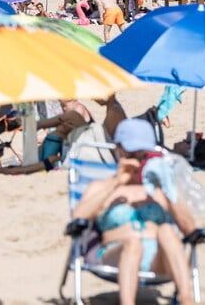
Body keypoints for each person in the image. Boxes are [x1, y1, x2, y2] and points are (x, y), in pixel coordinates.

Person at [71, 119, 196, 305]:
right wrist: (116, 181)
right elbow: (77, 218)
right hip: (115, 254)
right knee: (133, 243)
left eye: (142, 154)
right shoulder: (103, 186)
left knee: (167, 231)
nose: (138, 158)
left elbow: (190, 229)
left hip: (158, 259)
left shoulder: (159, 189)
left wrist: (167, 190)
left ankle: (187, 300)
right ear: (118, 149)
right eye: (132, 152)